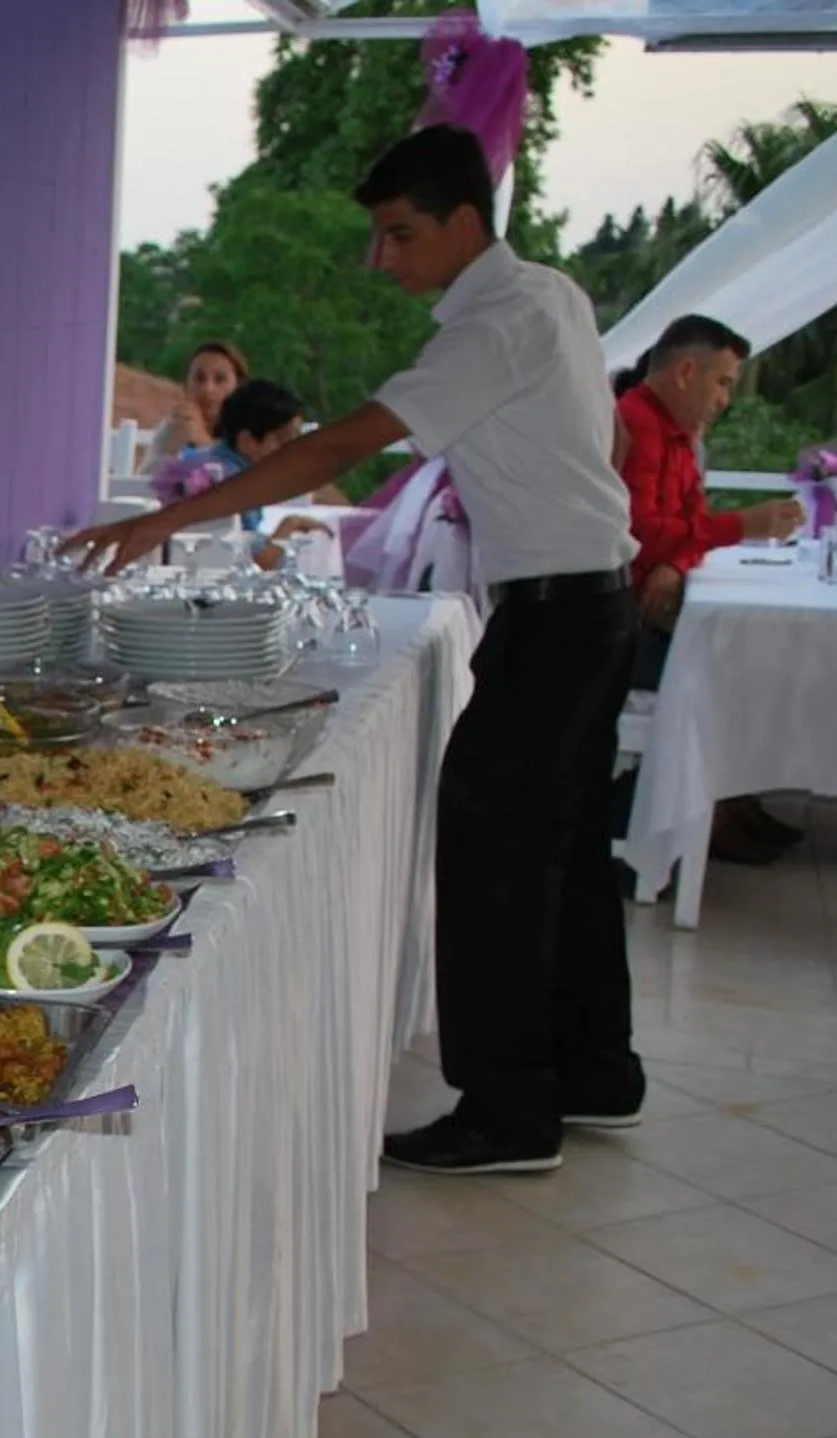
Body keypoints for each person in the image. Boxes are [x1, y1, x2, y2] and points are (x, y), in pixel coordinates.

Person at [69, 124, 639, 1176]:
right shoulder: (550, 294)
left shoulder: (494, 323)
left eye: (399, 234)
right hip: (593, 598)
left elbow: (335, 447)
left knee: (496, 851)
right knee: (564, 850)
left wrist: (159, 525)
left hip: (556, 613)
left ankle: (510, 1112)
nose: (383, 259)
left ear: (464, 222)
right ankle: (596, 1068)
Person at [613, 314, 808, 863]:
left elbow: (688, 527)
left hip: (656, 602)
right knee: (734, 668)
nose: (725, 399)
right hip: (618, 623)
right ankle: (690, 820)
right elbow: (641, 532)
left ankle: (726, 804)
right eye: (722, 383)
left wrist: (675, 562)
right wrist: (741, 526)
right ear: (685, 372)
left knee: (752, 660)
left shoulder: (679, 434)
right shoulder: (636, 425)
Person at [168, 379, 333, 566]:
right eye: (284, 440)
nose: (292, 450)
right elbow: (255, 566)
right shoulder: (238, 486)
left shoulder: (203, 459)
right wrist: (290, 526)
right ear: (247, 442)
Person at [146, 341, 249, 466]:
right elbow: (141, 480)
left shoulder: (248, 433)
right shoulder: (174, 425)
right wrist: (170, 451)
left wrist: (202, 443)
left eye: (220, 379)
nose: (208, 389)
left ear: (238, 386)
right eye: (199, 378)